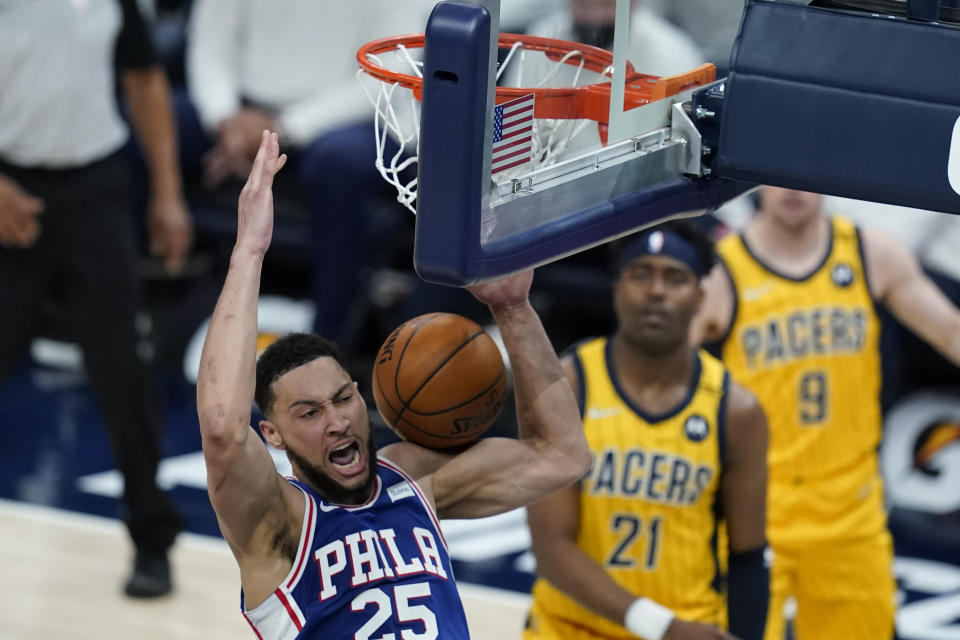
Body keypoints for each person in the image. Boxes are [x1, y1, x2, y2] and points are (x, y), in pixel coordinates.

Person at [195, 131, 593, 638]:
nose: (337, 421)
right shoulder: (278, 522)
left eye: (343, 398)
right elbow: (221, 428)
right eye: (309, 412)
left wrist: (511, 308)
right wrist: (248, 253)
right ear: (271, 434)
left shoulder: (414, 483)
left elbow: (563, 455)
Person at [693, 187, 960, 639]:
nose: (791, 188)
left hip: (850, 512)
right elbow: (656, 376)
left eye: (801, 174)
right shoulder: (721, 273)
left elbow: (951, 332)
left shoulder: (871, 253)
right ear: (756, 179)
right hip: (755, 510)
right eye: (777, 175)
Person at [0, 0, 191, 597]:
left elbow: (144, 79)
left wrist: (167, 193)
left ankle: (152, 540)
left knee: (122, 375)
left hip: (95, 192)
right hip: (9, 193)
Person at [525, 223, 769, 640]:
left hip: (687, 627)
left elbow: (747, 556)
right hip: (571, 628)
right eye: (641, 275)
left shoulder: (736, 410)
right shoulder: (567, 385)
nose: (656, 291)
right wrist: (662, 626)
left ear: (700, 298)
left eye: (675, 278)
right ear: (617, 288)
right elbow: (552, 551)